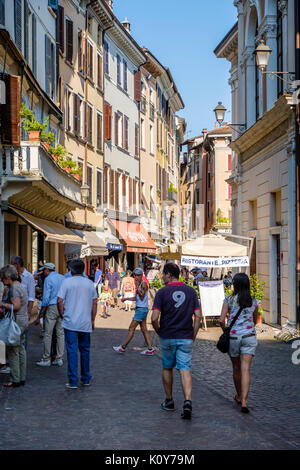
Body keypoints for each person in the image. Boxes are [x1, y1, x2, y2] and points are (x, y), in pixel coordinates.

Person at [151, 263, 202, 419]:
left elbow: (154, 318)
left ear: (168, 274)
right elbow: (198, 316)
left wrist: (159, 330)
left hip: (167, 335)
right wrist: (193, 334)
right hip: (185, 336)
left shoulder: (161, 293)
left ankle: (169, 400)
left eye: (163, 274)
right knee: (185, 368)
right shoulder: (191, 291)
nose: (162, 277)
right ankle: (187, 401)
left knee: (167, 367)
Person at [219, 272, 259, 414]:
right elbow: (255, 319)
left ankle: (239, 395)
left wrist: (226, 331)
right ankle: (244, 401)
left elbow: (221, 319)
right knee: (246, 369)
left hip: (234, 338)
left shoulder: (228, 300)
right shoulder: (253, 300)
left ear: (235, 284)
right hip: (249, 336)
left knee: (236, 368)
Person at [57, 258, 97, 389]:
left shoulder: (67, 282)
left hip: (70, 322)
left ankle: (73, 380)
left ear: (71, 270)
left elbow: (59, 301)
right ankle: (86, 378)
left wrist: (62, 314)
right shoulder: (90, 283)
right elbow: (94, 303)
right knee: (85, 350)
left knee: (72, 351)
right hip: (85, 322)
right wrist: (92, 319)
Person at [113, 267, 155, 356]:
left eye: (137, 275)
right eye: (135, 275)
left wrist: (137, 287)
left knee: (131, 328)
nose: (136, 277)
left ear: (141, 275)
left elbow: (142, 296)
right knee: (144, 330)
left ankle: (123, 347)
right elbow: (137, 298)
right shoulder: (140, 284)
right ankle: (150, 349)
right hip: (141, 308)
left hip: (141, 309)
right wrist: (126, 298)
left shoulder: (143, 284)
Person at [0, 265, 28, 387]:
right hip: (23, 321)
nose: (1, 280)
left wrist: (1, 304)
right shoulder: (20, 286)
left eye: (2, 278)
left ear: (8, 277)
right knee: (21, 349)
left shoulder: (14, 288)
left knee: (13, 351)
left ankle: (15, 379)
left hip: (16, 323)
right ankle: (21, 377)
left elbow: (16, 306)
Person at [35, 263, 65, 367]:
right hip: (61, 306)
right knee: (60, 333)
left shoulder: (48, 279)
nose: (43, 273)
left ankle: (46, 358)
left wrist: (41, 314)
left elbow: (46, 298)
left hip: (52, 307)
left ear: (47, 270)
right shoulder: (62, 277)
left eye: (44, 270)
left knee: (48, 334)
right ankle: (59, 358)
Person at [10, 256, 35, 349]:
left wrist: (29, 312)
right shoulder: (13, 276)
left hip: (23, 312)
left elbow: (31, 297)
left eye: (12, 264)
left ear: (17, 265)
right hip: (14, 313)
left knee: (22, 339)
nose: (10, 266)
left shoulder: (29, 277)